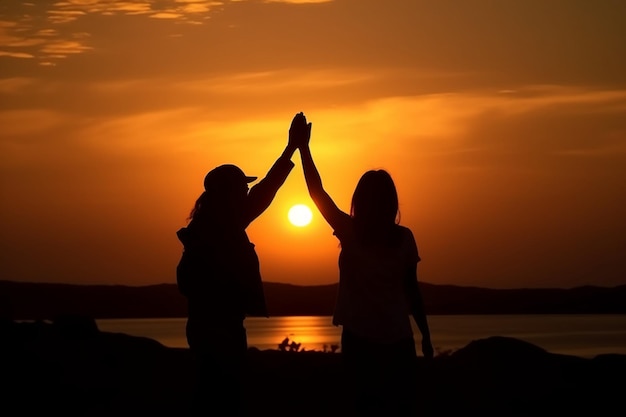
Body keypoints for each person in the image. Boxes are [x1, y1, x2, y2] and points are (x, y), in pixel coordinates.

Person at [295, 113, 434, 416]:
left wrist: (302, 148)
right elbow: (413, 292)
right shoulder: (403, 238)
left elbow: (317, 194)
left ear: (360, 200)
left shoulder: (351, 232)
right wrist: (425, 335)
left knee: (365, 406)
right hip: (398, 338)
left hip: (363, 340)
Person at [175, 112, 309, 416]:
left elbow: (264, 190)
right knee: (223, 396)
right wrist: (293, 148)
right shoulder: (223, 226)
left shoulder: (213, 225)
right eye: (242, 187)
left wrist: (292, 148)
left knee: (213, 392)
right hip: (219, 328)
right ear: (229, 194)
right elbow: (267, 189)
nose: (248, 190)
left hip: (209, 326)